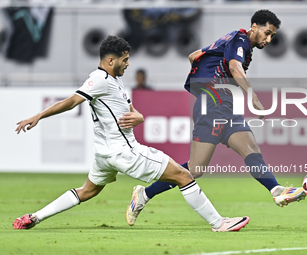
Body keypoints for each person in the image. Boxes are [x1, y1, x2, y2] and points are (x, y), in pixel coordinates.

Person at [12, 36, 249, 232]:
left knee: (86, 191)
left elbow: (131, 112)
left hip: (104, 154)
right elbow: (73, 101)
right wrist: (38, 116)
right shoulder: (99, 79)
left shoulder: (115, 81)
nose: (128, 64)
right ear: (111, 60)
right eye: (124, 60)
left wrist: (140, 117)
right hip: (124, 152)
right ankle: (219, 223)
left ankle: (34, 217)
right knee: (183, 175)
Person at [126, 9, 306, 226]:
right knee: (194, 170)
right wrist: (253, 99)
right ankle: (144, 195)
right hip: (211, 106)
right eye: (267, 33)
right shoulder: (240, 40)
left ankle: (276, 190)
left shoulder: (230, 39)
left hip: (225, 107)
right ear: (255, 26)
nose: (268, 39)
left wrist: (205, 79)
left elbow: (194, 56)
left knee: (251, 149)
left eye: (272, 36)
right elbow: (234, 66)